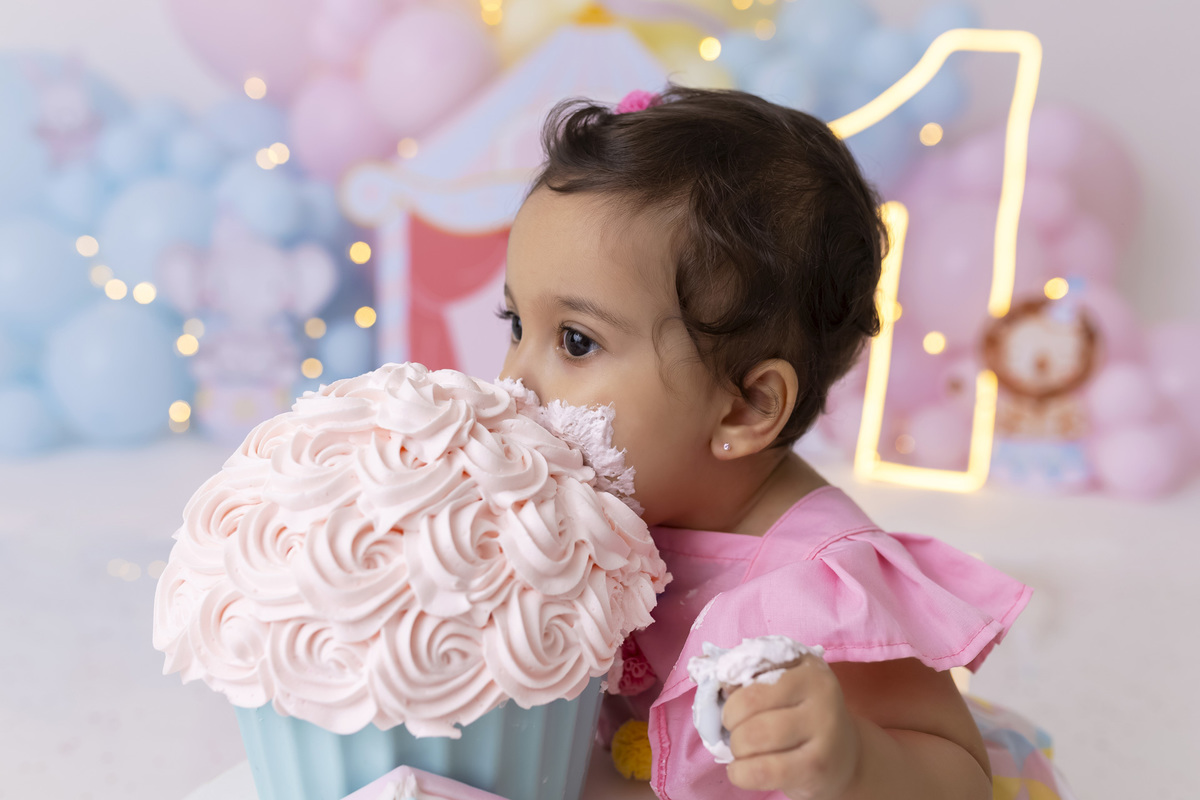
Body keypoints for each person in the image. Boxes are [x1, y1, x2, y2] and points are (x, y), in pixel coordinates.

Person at [497, 86, 1033, 800]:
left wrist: (854, 758)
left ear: (745, 408)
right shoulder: (593, 502)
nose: (515, 381)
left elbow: (962, 778)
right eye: (514, 325)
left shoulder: (813, 588)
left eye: (575, 340)